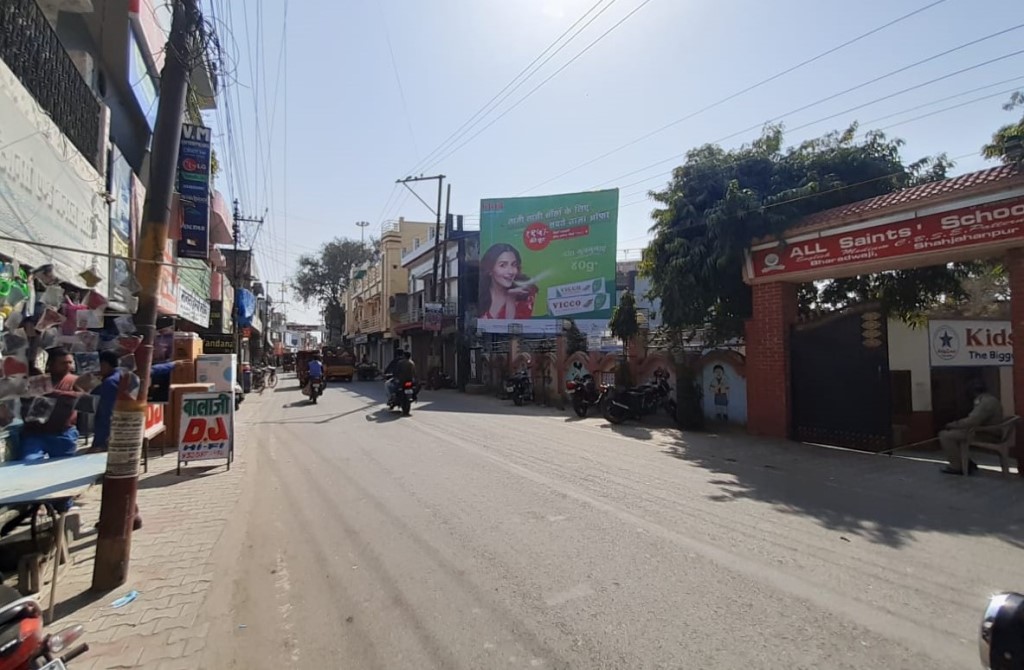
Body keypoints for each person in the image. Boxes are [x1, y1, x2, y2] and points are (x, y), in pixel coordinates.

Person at [19, 347, 81, 460]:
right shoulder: (37, 380)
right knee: (29, 462)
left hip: (63, 434)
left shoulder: (77, 380)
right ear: (50, 364)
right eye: (63, 363)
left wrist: (52, 393)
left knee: (63, 468)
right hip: (35, 434)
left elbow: (85, 399)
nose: (68, 366)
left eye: (70, 362)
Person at [937, 380, 1004, 475]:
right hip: (985, 432)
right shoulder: (990, 399)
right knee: (953, 434)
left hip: (988, 434)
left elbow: (973, 420)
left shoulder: (985, 402)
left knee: (944, 435)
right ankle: (967, 462)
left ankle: (956, 466)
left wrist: (954, 424)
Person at [478, 243, 537, 320]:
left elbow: (514, 329)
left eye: (514, 265)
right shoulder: (480, 292)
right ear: (490, 270)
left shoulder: (525, 292)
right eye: (503, 265)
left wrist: (510, 299)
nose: (511, 272)